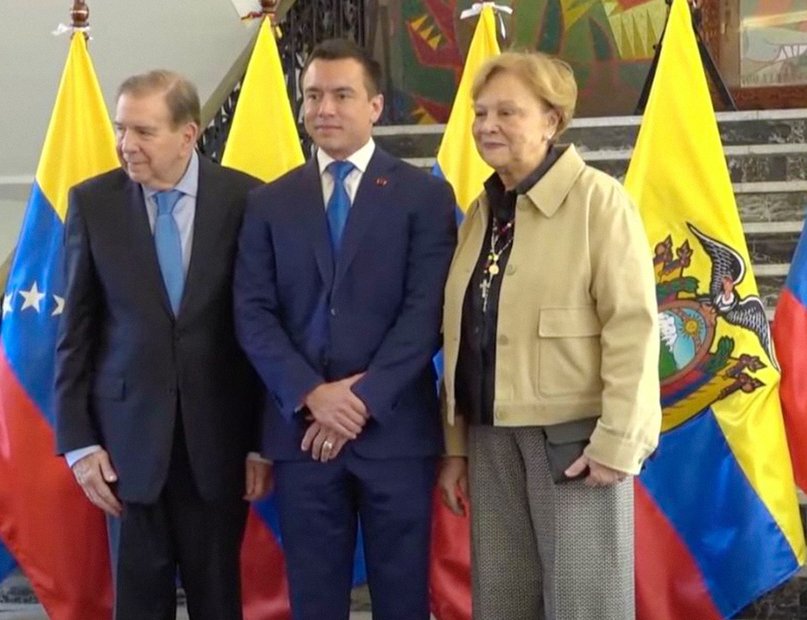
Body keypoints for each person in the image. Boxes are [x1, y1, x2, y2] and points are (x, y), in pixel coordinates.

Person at [233, 39, 457, 620]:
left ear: (376, 106)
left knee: (402, 599)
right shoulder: (269, 202)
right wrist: (312, 395)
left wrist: (360, 400)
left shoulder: (424, 196)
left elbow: (427, 313)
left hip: (395, 435)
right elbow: (253, 314)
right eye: (313, 96)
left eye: (341, 95)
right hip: (302, 438)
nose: (324, 108)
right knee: (314, 600)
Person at [436, 51, 661, 619]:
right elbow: (466, 333)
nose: (487, 126)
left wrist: (619, 442)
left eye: (507, 112)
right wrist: (457, 446)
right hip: (490, 439)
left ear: (551, 121)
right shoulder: (482, 212)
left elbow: (633, 328)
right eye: (480, 112)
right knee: (503, 604)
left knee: (586, 607)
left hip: (575, 446)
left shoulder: (599, 202)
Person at [54, 70, 271, 620]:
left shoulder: (248, 200)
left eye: (144, 132)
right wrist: (78, 444)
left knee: (218, 603)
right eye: (121, 129)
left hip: (219, 446)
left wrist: (261, 442)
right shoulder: (94, 203)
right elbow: (75, 333)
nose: (127, 144)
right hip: (125, 451)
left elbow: (265, 332)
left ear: (188, 134)